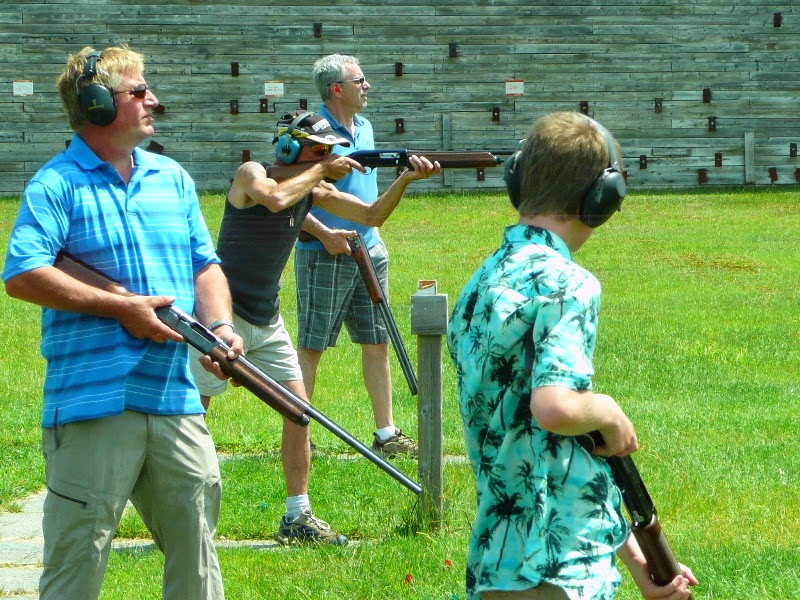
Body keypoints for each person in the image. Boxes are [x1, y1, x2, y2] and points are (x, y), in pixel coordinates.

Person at [2, 45, 241, 600]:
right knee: (76, 565)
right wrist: (121, 308)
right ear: (97, 102)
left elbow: (204, 263)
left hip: (175, 398)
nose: (154, 99)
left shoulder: (172, 177)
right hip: (93, 404)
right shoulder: (55, 184)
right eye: (139, 91)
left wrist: (222, 328)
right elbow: (23, 272)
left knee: (199, 562)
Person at [447, 111, 698, 600]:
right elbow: (556, 409)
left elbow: (551, 448)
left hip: (499, 558)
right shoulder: (570, 284)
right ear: (603, 199)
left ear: (518, 180)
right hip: (563, 571)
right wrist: (605, 409)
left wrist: (637, 557)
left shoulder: (481, 283)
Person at [190, 109, 439, 545]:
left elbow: (372, 215)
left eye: (329, 151)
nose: (328, 157)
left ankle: (297, 516)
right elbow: (274, 198)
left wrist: (404, 180)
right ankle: (183, 514)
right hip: (221, 315)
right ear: (289, 147)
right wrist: (324, 168)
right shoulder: (253, 173)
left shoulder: (313, 187)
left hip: (267, 317)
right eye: (320, 149)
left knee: (299, 413)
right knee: (192, 419)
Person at [294, 54, 421, 459]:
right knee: (312, 347)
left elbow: (368, 193)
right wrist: (327, 234)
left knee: (376, 341)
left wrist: (374, 234)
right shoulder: (310, 133)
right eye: (360, 80)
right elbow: (289, 198)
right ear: (337, 89)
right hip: (324, 250)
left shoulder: (364, 127)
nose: (368, 86)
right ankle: (300, 430)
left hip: (369, 249)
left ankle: (386, 433)